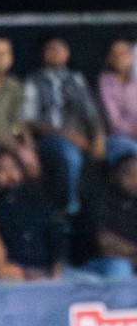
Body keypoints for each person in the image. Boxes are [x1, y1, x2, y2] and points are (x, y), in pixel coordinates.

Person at [25, 35, 104, 215]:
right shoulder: (34, 81)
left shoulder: (76, 79)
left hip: (80, 137)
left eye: (60, 49)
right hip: (49, 138)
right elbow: (29, 120)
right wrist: (67, 135)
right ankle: (66, 208)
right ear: (43, 54)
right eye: (51, 49)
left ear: (67, 53)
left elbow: (91, 113)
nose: (56, 53)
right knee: (69, 156)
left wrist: (99, 136)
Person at [0, 149, 67, 280]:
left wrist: (55, 274)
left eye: (13, 167)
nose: (10, 174)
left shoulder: (37, 202)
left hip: (45, 273)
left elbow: (56, 241)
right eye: (1, 169)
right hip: (9, 275)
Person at [0, 35, 41, 179]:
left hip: (11, 141)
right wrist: (17, 149)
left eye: (6, 53)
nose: (2, 58)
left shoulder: (14, 85)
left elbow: (17, 122)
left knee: (33, 163)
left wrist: (29, 148)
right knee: (7, 164)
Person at [87, 155, 137, 280]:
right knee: (120, 267)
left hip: (130, 261)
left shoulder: (133, 205)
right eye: (129, 172)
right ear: (113, 175)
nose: (134, 179)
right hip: (98, 262)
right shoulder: (100, 201)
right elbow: (103, 244)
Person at [97, 38, 137, 164]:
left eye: (123, 53)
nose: (119, 57)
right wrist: (132, 131)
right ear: (109, 58)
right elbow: (113, 121)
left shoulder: (135, 83)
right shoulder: (105, 83)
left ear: (132, 57)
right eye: (115, 54)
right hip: (117, 138)